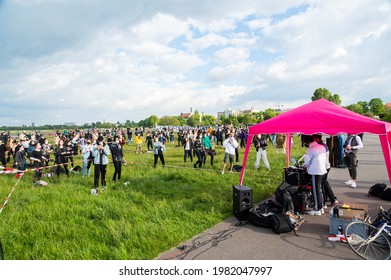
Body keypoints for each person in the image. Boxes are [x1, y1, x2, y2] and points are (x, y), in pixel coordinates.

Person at [303, 134, 327, 216]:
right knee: (319, 188)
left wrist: (305, 166)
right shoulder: (322, 147)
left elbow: (306, 162)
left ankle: (317, 208)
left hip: (315, 171)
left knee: (315, 189)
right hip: (322, 170)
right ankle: (321, 206)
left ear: (307, 142)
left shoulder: (311, 149)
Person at [313, 135, 338, 207]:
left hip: (324, 167)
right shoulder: (323, 145)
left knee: (322, 183)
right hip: (326, 166)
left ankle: (328, 200)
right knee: (324, 183)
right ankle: (330, 199)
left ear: (317, 139)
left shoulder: (321, 146)